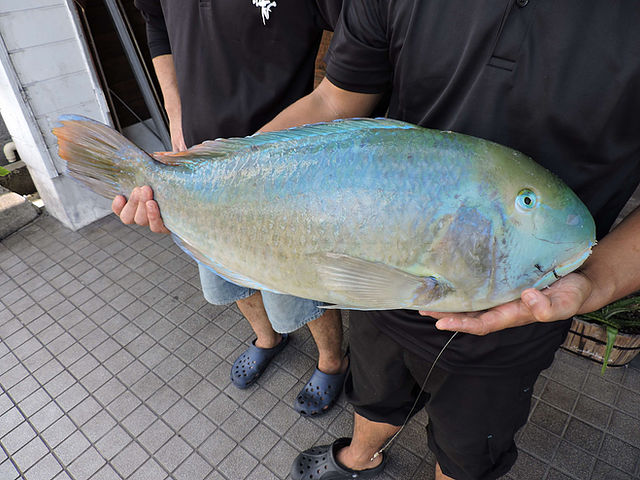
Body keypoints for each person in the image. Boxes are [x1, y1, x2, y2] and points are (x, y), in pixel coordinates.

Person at [259, 1, 640, 479]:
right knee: (374, 389)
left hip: (522, 309)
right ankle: (360, 457)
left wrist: (597, 282)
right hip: (382, 278)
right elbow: (334, 102)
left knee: (467, 452)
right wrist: (206, 176)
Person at [113, 0, 349, 416]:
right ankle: (267, 338)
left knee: (297, 288)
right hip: (200, 169)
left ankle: (333, 361)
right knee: (226, 271)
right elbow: (157, 23)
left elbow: (365, 35)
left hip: (281, 173)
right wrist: (175, 114)